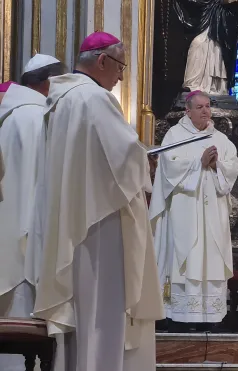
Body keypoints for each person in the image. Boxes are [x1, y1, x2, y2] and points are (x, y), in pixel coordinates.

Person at [33, 31, 164, 371]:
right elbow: (123, 157)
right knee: (104, 311)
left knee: (83, 311)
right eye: (120, 66)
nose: (121, 76)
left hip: (74, 220)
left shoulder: (60, 98)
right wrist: (145, 160)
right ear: (103, 60)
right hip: (101, 224)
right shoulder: (95, 99)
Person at [150, 90, 238, 332]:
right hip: (184, 212)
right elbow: (169, 168)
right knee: (186, 257)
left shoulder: (220, 139)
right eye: (199, 107)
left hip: (213, 214)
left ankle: (209, 316)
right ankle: (178, 315)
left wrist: (216, 165)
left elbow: (232, 168)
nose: (205, 111)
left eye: (207, 106)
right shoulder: (175, 135)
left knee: (211, 256)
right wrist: (198, 164)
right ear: (188, 111)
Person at [0, 55, 63, 371]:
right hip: (30, 234)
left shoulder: (9, 115)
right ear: (47, 82)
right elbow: (46, 183)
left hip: (8, 228)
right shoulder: (38, 118)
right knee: (29, 330)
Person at [177, 0, 238, 94]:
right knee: (197, 44)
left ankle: (216, 86)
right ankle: (193, 85)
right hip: (208, 19)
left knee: (217, 50)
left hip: (222, 24)